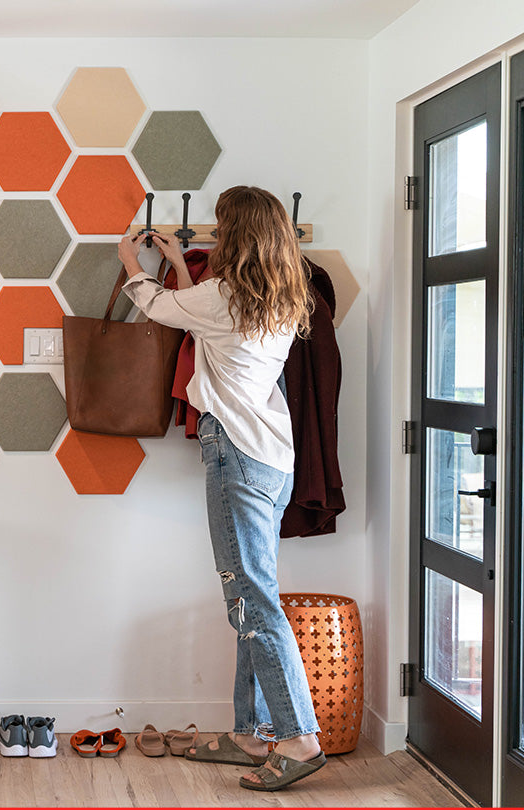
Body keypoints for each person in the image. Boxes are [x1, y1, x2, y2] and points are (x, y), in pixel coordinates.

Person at [118, 186, 325, 792]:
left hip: (235, 456)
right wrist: (182, 266)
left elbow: (160, 308)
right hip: (272, 461)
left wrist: (129, 262)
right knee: (252, 597)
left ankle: (298, 737)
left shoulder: (227, 295)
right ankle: (248, 733)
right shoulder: (280, 297)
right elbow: (197, 309)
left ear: (239, 236)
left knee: (251, 602)